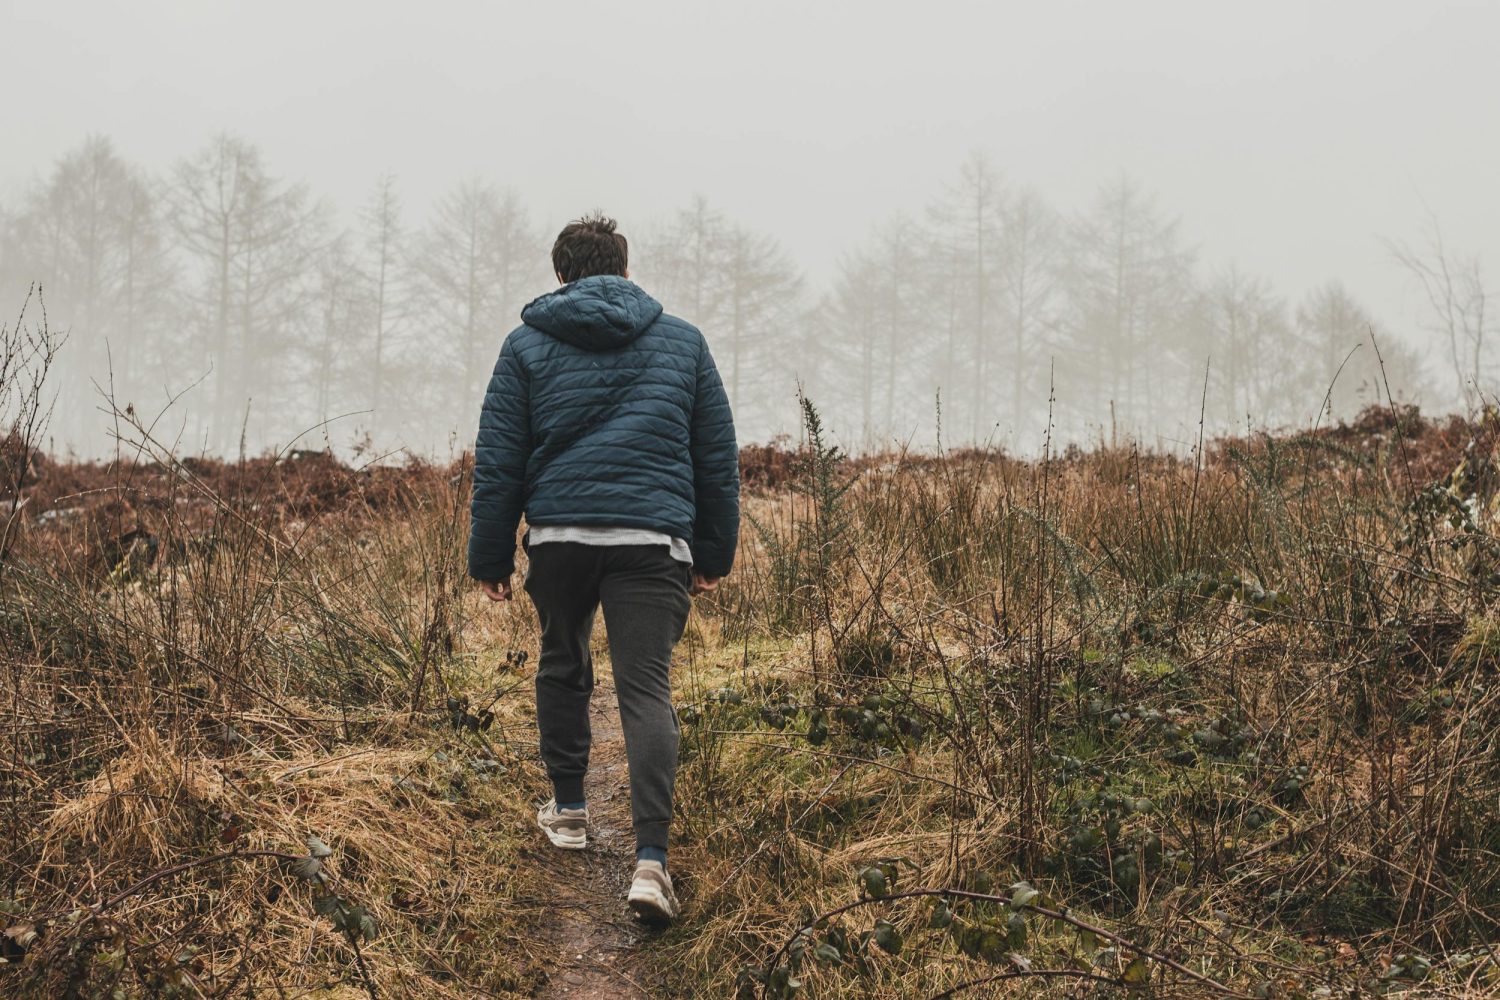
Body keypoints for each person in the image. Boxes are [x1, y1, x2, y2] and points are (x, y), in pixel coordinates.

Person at [468, 214, 740, 924]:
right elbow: (715, 457)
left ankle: (569, 811)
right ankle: (651, 863)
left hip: (559, 536)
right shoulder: (683, 343)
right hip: (652, 540)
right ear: (624, 268)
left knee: (563, 660)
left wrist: (491, 555)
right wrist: (713, 553)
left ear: (560, 275)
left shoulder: (525, 346)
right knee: (645, 688)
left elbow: (499, 458)